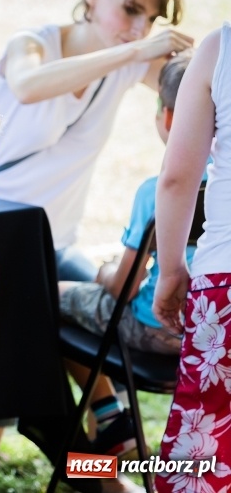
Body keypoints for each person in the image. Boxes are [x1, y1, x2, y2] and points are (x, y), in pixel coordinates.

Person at [0, 0, 193, 491]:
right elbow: (27, 85)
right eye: (130, 9)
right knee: (29, 340)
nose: (139, 28)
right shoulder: (34, 44)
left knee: (90, 313)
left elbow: (193, 87)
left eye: (151, 18)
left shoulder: (127, 60)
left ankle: (106, 438)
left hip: (52, 243)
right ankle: (94, 463)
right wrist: (135, 52)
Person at [58, 52, 195, 460]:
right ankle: (111, 435)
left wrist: (104, 273)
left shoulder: (159, 189)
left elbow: (124, 288)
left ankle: (108, 422)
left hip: (155, 328)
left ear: (167, 117)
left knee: (44, 299)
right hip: (214, 335)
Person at [153, 22, 231, 493]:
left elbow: (178, 177)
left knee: (201, 457)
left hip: (225, 282)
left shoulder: (220, 47)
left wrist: (170, 270)